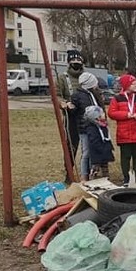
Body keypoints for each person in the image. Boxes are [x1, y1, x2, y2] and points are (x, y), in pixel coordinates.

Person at [108, 74, 136, 186]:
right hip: (124, 134)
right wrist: (127, 115)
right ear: (126, 85)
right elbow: (112, 113)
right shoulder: (117, 98)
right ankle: (126, 179)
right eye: (133, 84)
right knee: (125, 158)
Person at [56, 49, 85, 181]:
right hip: (71, 116)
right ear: (68, 63)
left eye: (78, 60)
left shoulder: (87, 77)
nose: (76, 63)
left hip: (86, 115)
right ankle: (69, 173)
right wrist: (63, 103)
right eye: (73, 61)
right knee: (71, 145)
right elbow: (56, 94)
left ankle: (88, 172)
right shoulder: (62, 78)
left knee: (89, 145)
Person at [71, 72, 104, 182]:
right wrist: (69, 107)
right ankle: (83, 175)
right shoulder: (77, 95)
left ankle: (92, 173)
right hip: (84, 128)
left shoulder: (93, 94)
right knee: (86, 152)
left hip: (95, 127)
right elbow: (75, 111)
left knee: (93, 151)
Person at [82, 105, 114, 179]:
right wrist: (101, 148)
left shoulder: (103, 125)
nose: (104, 115)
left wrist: (109, 147)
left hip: (105, 151)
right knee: (95, 168)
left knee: (105, 167)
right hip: (97, 152)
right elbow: (94, 140)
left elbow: (107, 137)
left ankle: (106, 179)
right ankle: (93, 179)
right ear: (96, 117)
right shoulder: (91, 128)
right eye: (102, 114)